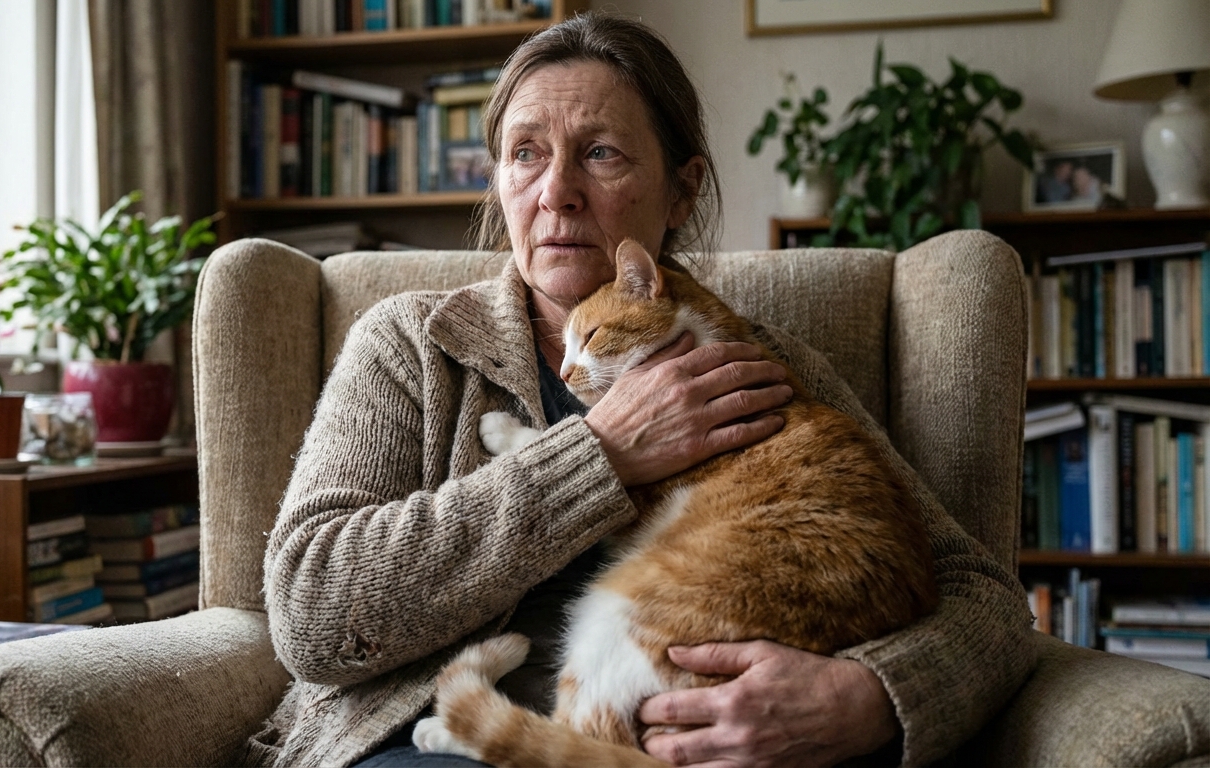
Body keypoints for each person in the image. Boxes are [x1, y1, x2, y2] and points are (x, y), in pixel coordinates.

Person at [253, 13, 1036, 768]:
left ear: (682, 191)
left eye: (599, 153)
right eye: (525, 153)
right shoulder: (411, 346)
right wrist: (597, 456)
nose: (555, 191)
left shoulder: (756, 368)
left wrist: (864, 697)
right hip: (435, 740)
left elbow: (988, 606)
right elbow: (310, 613)